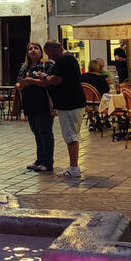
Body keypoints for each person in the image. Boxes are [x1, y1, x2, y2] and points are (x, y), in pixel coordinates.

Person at [42, 40, 86, 179]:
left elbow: (56, 80)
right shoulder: (68, 59)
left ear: (54, 50)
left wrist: (45, 77)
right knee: (71, 134)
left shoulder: (64, 60)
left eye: (49, 54)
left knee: (70, 135)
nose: (49, 57)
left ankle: (74, 168)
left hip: (69, 104)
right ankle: (73, 167)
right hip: (72, 102)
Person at [16, 42, 54, 173]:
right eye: (30, 49)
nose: (33, 51)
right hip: (29, 102)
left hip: (43, 102)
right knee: (36, 132)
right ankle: (40, 160)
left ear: (41, 51)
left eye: (36, 48)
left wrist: (31, 81)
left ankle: (47, 162)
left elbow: (49, 81)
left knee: (45, 132)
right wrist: (20, 85)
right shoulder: (24, 67)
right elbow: (19, 82)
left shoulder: (47, 65)